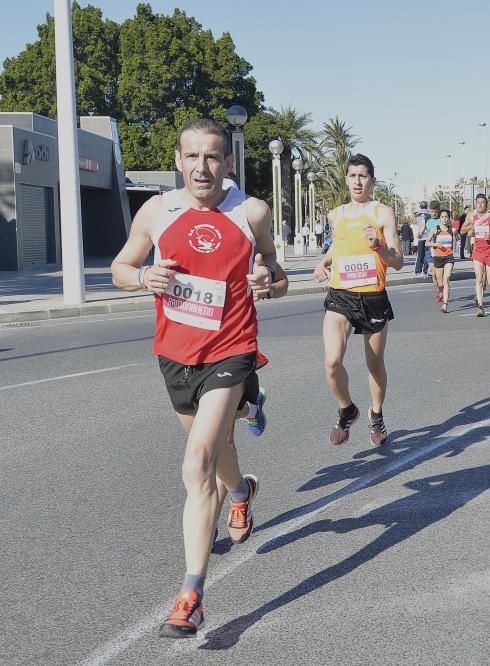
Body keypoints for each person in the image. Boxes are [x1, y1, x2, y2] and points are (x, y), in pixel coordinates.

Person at [110, 118, 288, 638]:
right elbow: (120, 267)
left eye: (213, 157)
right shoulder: (157, 211)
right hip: (175, 355)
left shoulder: (250, 212)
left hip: (231, 350)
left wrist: (267, 281)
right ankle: (241, 493)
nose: (202, 167)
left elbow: (277, 277)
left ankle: (191, 595)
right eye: (193, 156)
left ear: (228, 162)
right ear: (179, 160)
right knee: (217, 452)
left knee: (196, 464)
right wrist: (143, 277)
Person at [313, 154, 404, 447]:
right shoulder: (335, 215)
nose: (357, 181)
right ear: (346, 179)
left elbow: (399, 261)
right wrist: (322, 262)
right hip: (341, 295)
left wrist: (378, 246)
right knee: (331, 362)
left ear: (372, 181)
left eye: (363, 176)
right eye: (352, 175)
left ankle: (376, 416)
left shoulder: (382, 213)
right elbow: (338, 244)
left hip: (373, 297)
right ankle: (347, 409)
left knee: (374, 365)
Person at [461, 193, 490, 317]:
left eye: (483, 202)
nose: (480, 204)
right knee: (479, 279)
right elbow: (462, 230)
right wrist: (471, 229)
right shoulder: (472, 216)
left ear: (486, 204)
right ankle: (480, 307)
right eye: (478, 202)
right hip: (478, 251)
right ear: (475, 204)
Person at [429, 209, 456, 312]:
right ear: (440, 218)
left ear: (448, 218)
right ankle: (440, 291)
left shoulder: (452, 230)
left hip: (449, 257)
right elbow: (427, 243)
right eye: (442, 217)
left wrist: (458, 242)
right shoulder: (435, 229)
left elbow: (457, 238)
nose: (444, 219)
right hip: (438, 258)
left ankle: (445, 304)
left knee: (446, 279)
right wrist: (435, 244)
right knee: (440, 283)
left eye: (446, 217)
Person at [413, 201, 431, 276]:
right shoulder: (429, 214)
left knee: (419, 255)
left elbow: (414, 223)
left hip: (420, 237)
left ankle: (418, 271)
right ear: (427, 206)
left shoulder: (417, 215)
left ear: (420, 206)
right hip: (428, 236)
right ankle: (425, 271)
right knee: (427, 255)